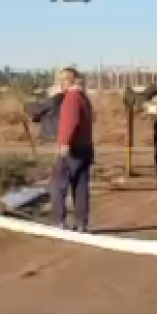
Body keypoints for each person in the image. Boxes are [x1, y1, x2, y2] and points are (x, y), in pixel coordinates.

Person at [52, 67, 94, 232]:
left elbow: (71, 121)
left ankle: (58, 222)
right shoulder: (84, 98)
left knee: (57, 185)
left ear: (69, 80)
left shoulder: (72, 98)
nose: (60, 83)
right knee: (81, 187)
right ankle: (82, 223)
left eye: (63, 79)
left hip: (72, 150)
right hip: (85, 148)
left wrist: (64, 143)